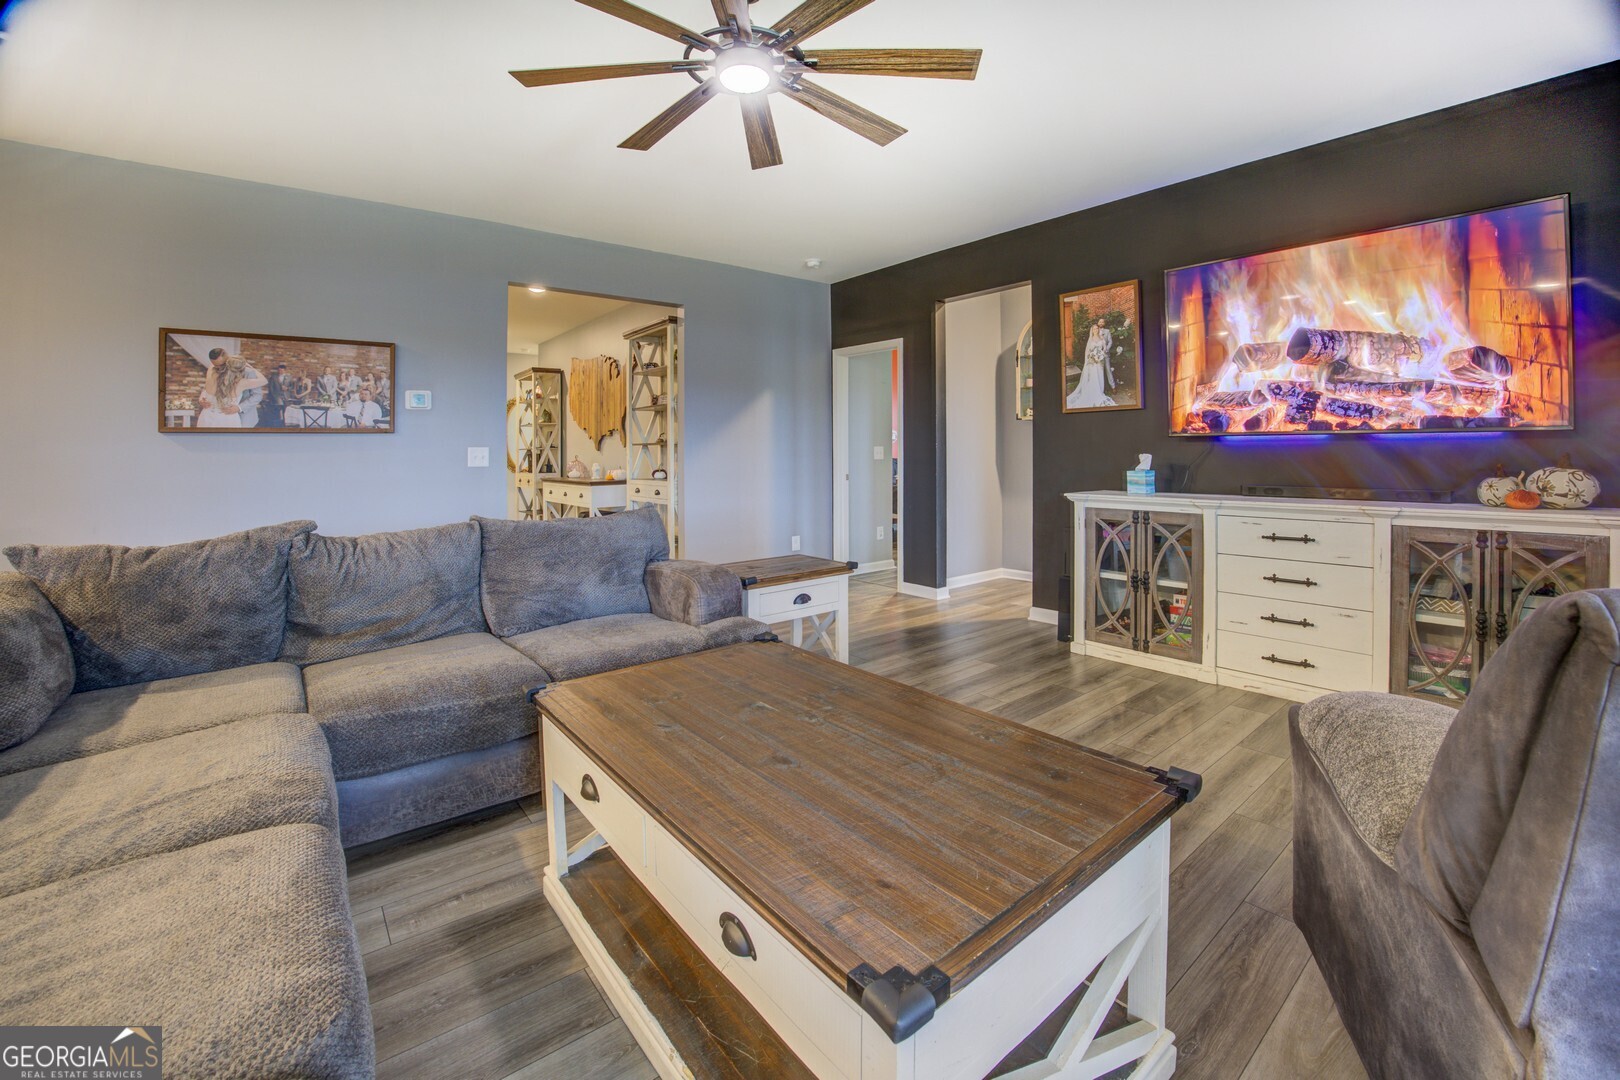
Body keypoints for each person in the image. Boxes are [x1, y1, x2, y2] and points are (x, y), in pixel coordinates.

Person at [195, 349, 267, 428]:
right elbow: (207, 388)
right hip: (213, 417)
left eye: (220, 365)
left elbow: (257, 396)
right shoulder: (213, 369)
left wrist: (239, 408)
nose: (218, 368)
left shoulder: (248, 372)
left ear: (227, 358)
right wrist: (202, 399)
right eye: (215, 365)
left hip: (242, 416)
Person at [1066, 318, 1118, 409]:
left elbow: (1105, 346)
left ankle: (1104, 390)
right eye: (1094, 329)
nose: (1096, 330)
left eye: (1097, 328)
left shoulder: (1103, 336)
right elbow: (1088, 351)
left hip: (1101, 360)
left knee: (1101, 375)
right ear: (1092, 330)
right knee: (1093, 377)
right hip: (1093, 361)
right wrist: (1092, 357)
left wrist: (1102, 353)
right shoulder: (1091, 339)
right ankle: (1092, 392)